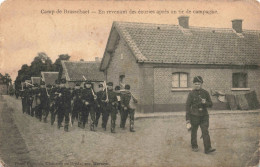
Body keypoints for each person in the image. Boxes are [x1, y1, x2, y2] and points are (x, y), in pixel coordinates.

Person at [186, 76, 216, 154]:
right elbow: (187, 106)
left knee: (205, 131)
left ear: (201, 84)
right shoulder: (191, 94)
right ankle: (194, 145)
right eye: (195, 84)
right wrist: (187, 119)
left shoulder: (205, 93)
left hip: (204, 116)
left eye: (198, 84)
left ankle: (208, 148)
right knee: (194, 131)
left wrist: (205, 103)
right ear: (193, 84)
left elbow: (211, 104)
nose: (197, 85)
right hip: (194, 116)